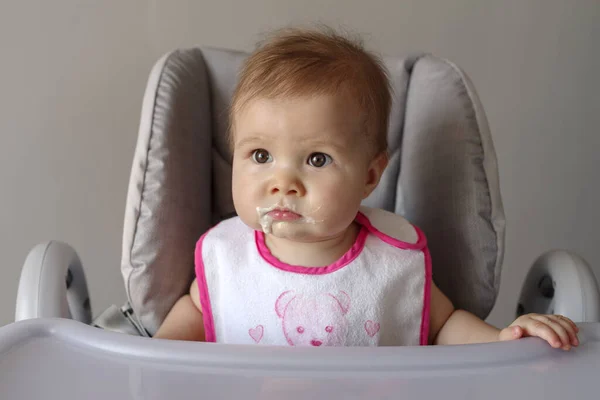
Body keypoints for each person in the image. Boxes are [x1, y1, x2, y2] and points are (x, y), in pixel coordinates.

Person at [155, 28, 579, 349]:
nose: (282, 183)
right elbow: (195, 313)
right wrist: (154, 356)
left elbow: (445, 324)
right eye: (261, 156)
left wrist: (505, 339)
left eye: (317, 159)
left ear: (370, 176)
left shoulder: (392, 263)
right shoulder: (227, 259)